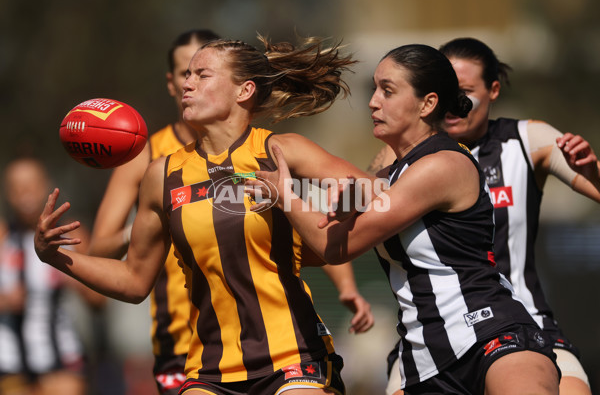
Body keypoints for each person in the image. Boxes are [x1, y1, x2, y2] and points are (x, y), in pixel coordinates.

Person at [34, 35, 377, 395]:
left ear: (243, 91)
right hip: (209, 369)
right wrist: (54, 256)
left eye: (202, 75)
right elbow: (134, 281)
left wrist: (320, 198)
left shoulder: (278, 150)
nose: (187, 83)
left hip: (294, 357)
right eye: (187, 75)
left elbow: (373, 192)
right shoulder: (161, 175)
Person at [248, 43, 561, 394]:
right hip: (426, 360)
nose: (373, 101)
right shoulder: (387, 178)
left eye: (388, 90)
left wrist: (285, 195)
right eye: (374, 89)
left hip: (493, 336)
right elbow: (331, 234)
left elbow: (335, 247)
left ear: (427, 103)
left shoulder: (443, 165)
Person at [374, 37, 597, 395]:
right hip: (431, 339)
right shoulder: (398, 159)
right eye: (447, 88)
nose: (454, 101)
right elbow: (354, 223)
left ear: (493, 90)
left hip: (521, 326)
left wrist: (591, 169)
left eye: (465, 90)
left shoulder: (526, 139)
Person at [0, 156, 105, 395]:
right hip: (10, 363)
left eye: (31, 184)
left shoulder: (73, 236)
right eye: (17, 186)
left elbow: (100, 302)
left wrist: (78, 280)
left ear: (47, 186)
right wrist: (5, 301)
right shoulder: (2, 236)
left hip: (62, 360)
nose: (24, 192)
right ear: (8, 193)